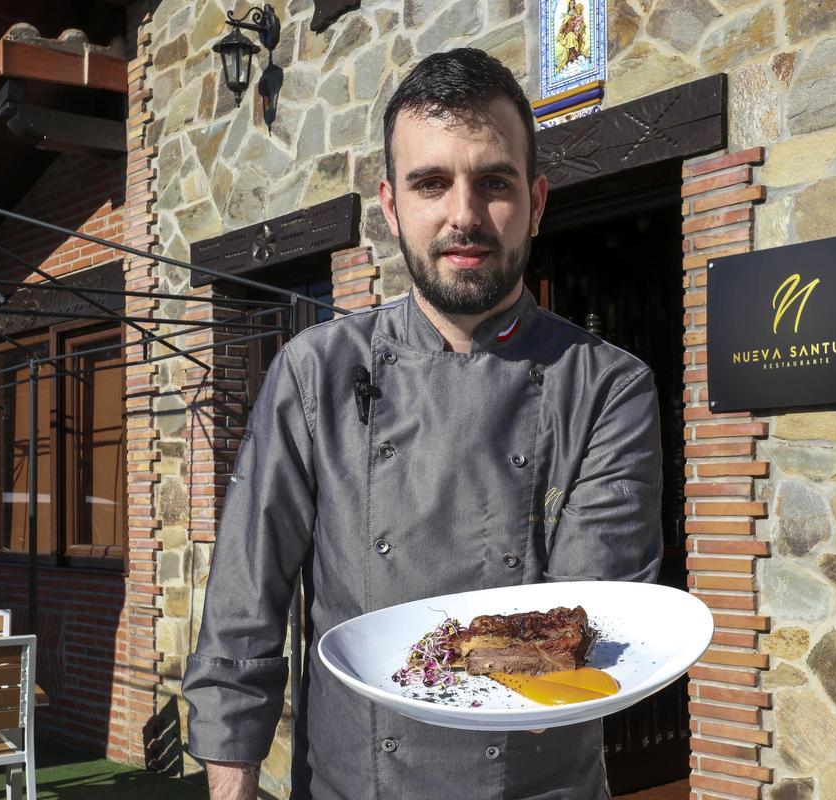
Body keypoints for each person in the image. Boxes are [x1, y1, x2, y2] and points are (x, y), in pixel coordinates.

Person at [182, 47, 663, 800]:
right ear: (391, 204)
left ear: (536, 202)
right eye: (431, 183)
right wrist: (231, 781)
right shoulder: (314, 372)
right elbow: (245, 607)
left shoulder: (608, 387)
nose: (463, 215)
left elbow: (586, 615)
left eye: (494, 182)